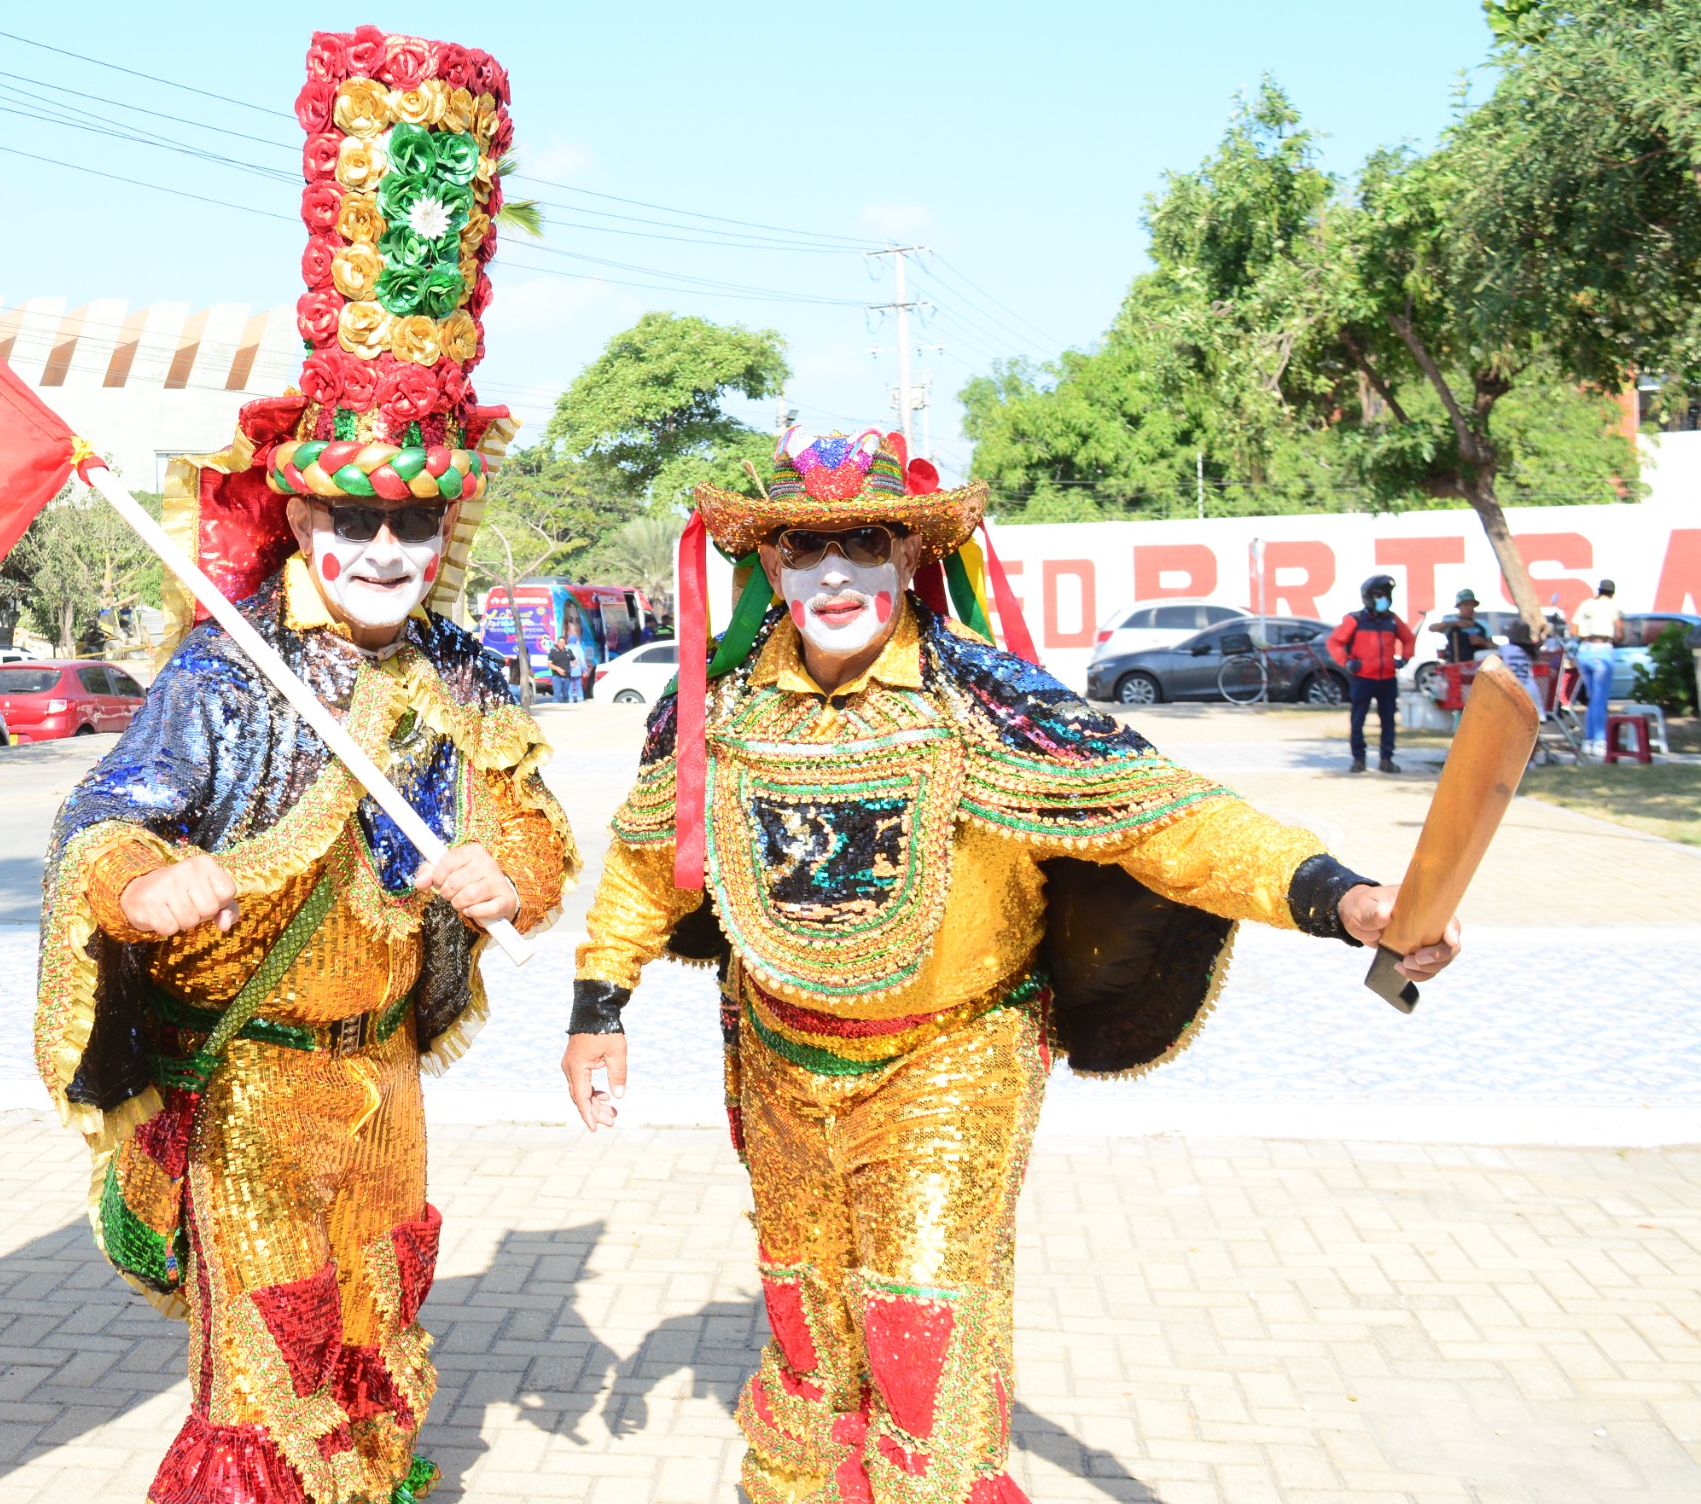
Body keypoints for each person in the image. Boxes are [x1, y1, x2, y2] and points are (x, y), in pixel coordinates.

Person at [558, 427, 1457, 1504]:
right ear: (771, 566)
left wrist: (1342, 897)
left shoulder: (988, 704)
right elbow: (648, 864)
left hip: (950, 1062)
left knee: (918, 1328)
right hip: (778, 1061)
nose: (834, 572)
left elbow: (1174, 820)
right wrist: (597, 1004)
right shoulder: (716, 710)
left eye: (865, 543)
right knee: (805, 1327)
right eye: (804, 547)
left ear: (908, 557)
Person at [35, 27, 574, 1504]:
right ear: (306, 523)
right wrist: (152, 883)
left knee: (380, 1347)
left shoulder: (465, 671)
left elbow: (538, 831)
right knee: (267, 1382)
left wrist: (506, 871)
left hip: (389, 1083)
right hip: (259, 1092)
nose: (384, 549)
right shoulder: (231, 668)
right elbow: (104, 816)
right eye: (353, 521)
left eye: (411, 525)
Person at [1325, 575, 1416, 773]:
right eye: (1378, 595)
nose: (1383, 599)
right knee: (1358, 720)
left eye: (1386, 595)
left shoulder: (1392, 620)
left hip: (1387, 679)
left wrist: (1404, 658)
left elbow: (1409, 639)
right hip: (1363, 678)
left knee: (1388, 721)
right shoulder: (1355, 620)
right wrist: (1347, 662)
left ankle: (1386, 760)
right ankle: (1358, 759)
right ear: (1368, 597)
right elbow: (1334, 642)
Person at [1571, 579, 1628, 752]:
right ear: (1612, 592)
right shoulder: (1613, 606)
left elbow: (1574, 629)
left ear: (1598, 590)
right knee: (1600, 699)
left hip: (1585, 651)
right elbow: (1619, 633)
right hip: (1603, 649)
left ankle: (1588, 740)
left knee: (1591, 698)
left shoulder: (1586, 604)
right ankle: (1600, 740)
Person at [1441, 588, 1494, 667]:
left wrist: (1482, 642)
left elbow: (1493, 647)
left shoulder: (1482, 624)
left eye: (1471, 605)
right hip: (1457, 666)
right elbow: (1432, 628)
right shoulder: (1450, 621)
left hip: (1478, 667)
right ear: (1459, 606)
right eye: (1466, 605)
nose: (1469, 608)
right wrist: (1456, 623)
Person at [546, 630, 578, 705]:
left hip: (566, 676)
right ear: (557, 643)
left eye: (563, 643)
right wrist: (558, 669)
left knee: (566, 695)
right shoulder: (553, 651)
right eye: (560, 643)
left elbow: (574, 659)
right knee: (557, 694)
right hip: (556, 676)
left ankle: (565, 710)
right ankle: (555, 710)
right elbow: (549, 664)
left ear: (565, 643)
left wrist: (574, 664)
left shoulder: (568, 651)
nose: (561, 644)